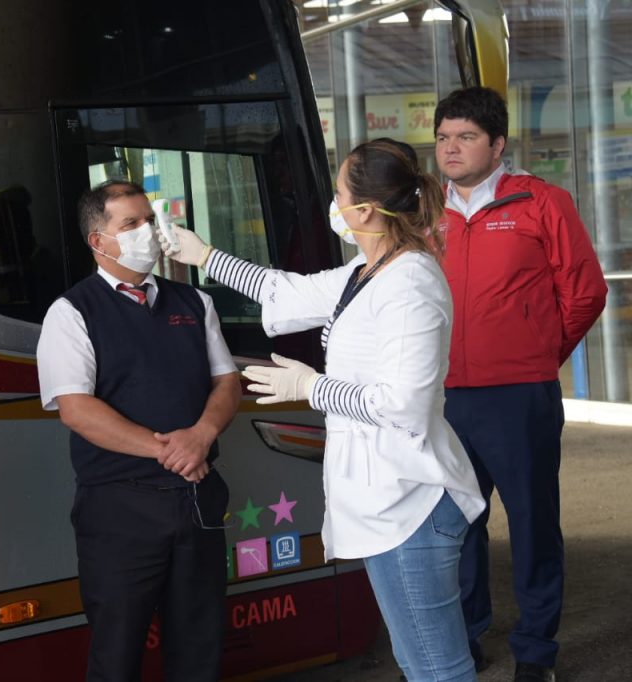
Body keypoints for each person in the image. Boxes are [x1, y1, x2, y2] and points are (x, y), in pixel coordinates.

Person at [162, 140, 486, 681]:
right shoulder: (365, 272)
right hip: (385, 502)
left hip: (413, 504)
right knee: (418, 662)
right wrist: (206, 257)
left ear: (363, 211)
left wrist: (312, 387)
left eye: (338, 193)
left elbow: (401, 403)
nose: (331, 204)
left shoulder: (411, 285)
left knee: (438, 668)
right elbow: (285, 292)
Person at [434, 87, 607, 682]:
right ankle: (467, 635)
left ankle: (535, 651)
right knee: (455, 524)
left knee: (532, 522)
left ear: (497, 143)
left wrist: (536, 356)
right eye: (442, 138)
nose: (450, 149)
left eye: (465, 137)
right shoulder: (424, 211)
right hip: (442, 397)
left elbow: (586, 292)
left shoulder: (540, 202)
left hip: (518, 395)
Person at [36, 180, 241, 682]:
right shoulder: (71, 313)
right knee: (118, 651)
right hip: (119, 508)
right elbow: (76, 409)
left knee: (199, 647)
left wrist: (201, 434)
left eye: (149, 220)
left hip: (195, 498)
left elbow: (227, 381)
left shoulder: (194, 302)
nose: (147, 232)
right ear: (98, 241)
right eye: (130, 225)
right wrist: (167, 449)